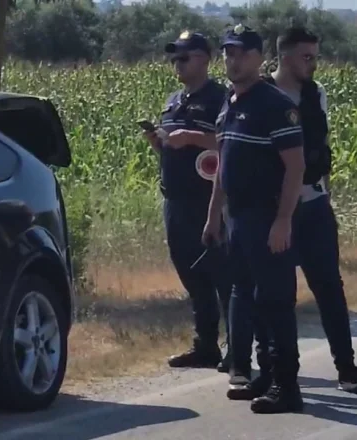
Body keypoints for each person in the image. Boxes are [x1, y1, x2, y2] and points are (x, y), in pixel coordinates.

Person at [234, 27, 357, 393]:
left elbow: (320, 150)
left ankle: (347, 368)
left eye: (315, 56)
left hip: (315, 205)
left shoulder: (315, 94)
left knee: (328, 288)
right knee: (273, 294)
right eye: (307, 57)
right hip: (275, 211)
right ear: (285, 57)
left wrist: (326, 196)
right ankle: (272, 371)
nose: (313, 64)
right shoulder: (261, 97)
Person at [203, 24, 305, 414]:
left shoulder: (273, 104)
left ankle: (287, 386)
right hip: (238, 219)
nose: (233, 59)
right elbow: (222, 167)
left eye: (242, 52)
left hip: (266, 215)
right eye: (228, 52)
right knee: (253, 299)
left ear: (260, 58)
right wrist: (214, 217)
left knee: (277, 301)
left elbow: (294, 168)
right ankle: (266, 375)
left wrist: (283, 220)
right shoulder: (230, 102)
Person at [143, 31, 232, 372]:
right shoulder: (172, 101)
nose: (176, 64)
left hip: (209, 200)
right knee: (192, 276)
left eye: (184, 57)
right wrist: (159, 142)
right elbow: (171, 147)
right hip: (176, 200)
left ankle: (237, 347)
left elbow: (229, 141)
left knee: (223, 276)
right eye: (174, 58)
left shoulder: (220, 99)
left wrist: (193, 137)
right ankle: (205, 345)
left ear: (204, 59)